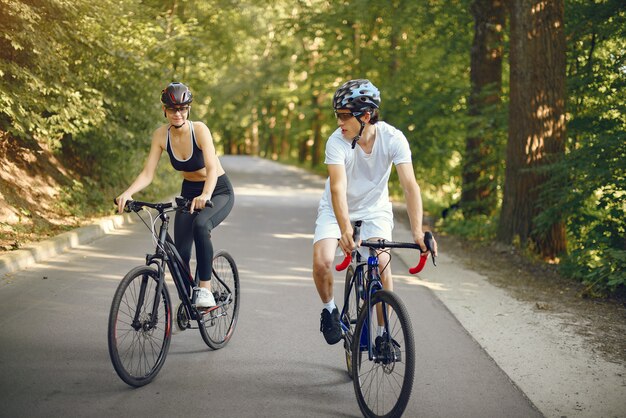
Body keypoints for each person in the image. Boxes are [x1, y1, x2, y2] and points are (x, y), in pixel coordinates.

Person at [312, 79, 437, 345]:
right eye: (337, 116)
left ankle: (383, 334)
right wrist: (345, 229)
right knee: (322, 261)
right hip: (337, 209)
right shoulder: (337, 142)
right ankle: (330, 310)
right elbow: (337, 188)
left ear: (366, 116)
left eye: (344, 116)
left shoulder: (393, 139)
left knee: (381, 262)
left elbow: (410, 186)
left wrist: (417, 231)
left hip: (374, 210)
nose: (339, 122)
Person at [116, 82, 234, 308]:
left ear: (188, 109)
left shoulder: (199, 130)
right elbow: (148, 173)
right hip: (189, 192)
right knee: (179, 255)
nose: (177, 113)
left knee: (201, 226)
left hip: (217, 189)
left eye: (182, 108)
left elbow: (211, 169)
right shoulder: (161, 135)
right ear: (165, 111)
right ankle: (189, 301)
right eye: (172, 109)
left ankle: (206, 290)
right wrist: (127, 193)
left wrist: (206, 194)